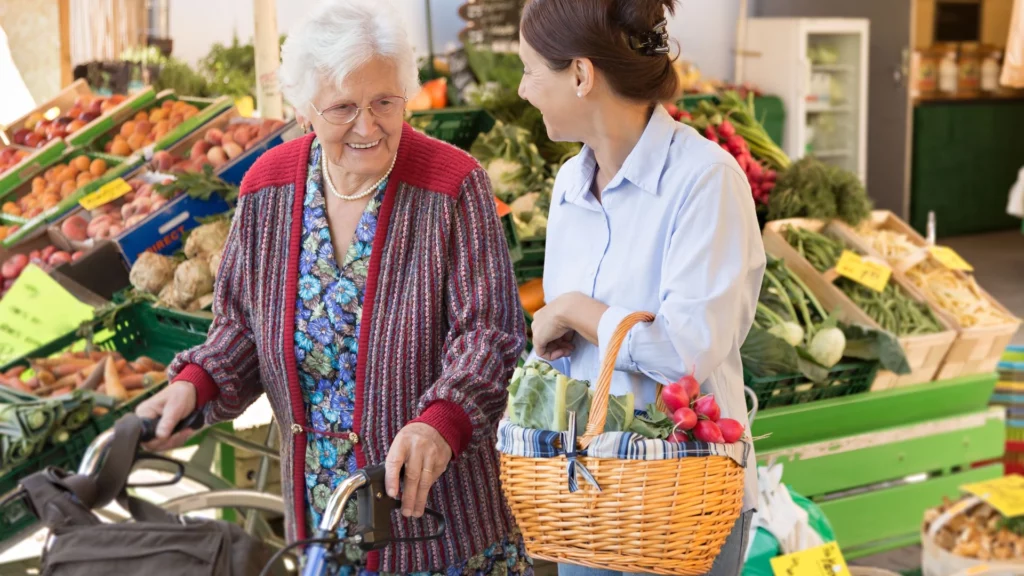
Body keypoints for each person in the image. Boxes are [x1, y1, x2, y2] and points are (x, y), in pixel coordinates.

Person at [136, 1, 531, 574]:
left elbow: (489, 334)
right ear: (304, 112)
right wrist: (194, 385)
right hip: (323, 524)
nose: (368, 126)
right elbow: (241, 329)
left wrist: (442, 420)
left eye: (384, 103)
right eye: (344, 107)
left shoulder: (453, 186)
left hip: (442, 532)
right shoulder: (267, 188)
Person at [517, 0, 766, 574]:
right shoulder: (568, 186)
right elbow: (566, 357)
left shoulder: (705, 181)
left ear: (580, 75)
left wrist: (579, 311)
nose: (525, 91)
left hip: (680, 502)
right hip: (590, 498)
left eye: (531, 71)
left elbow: (684, 353)